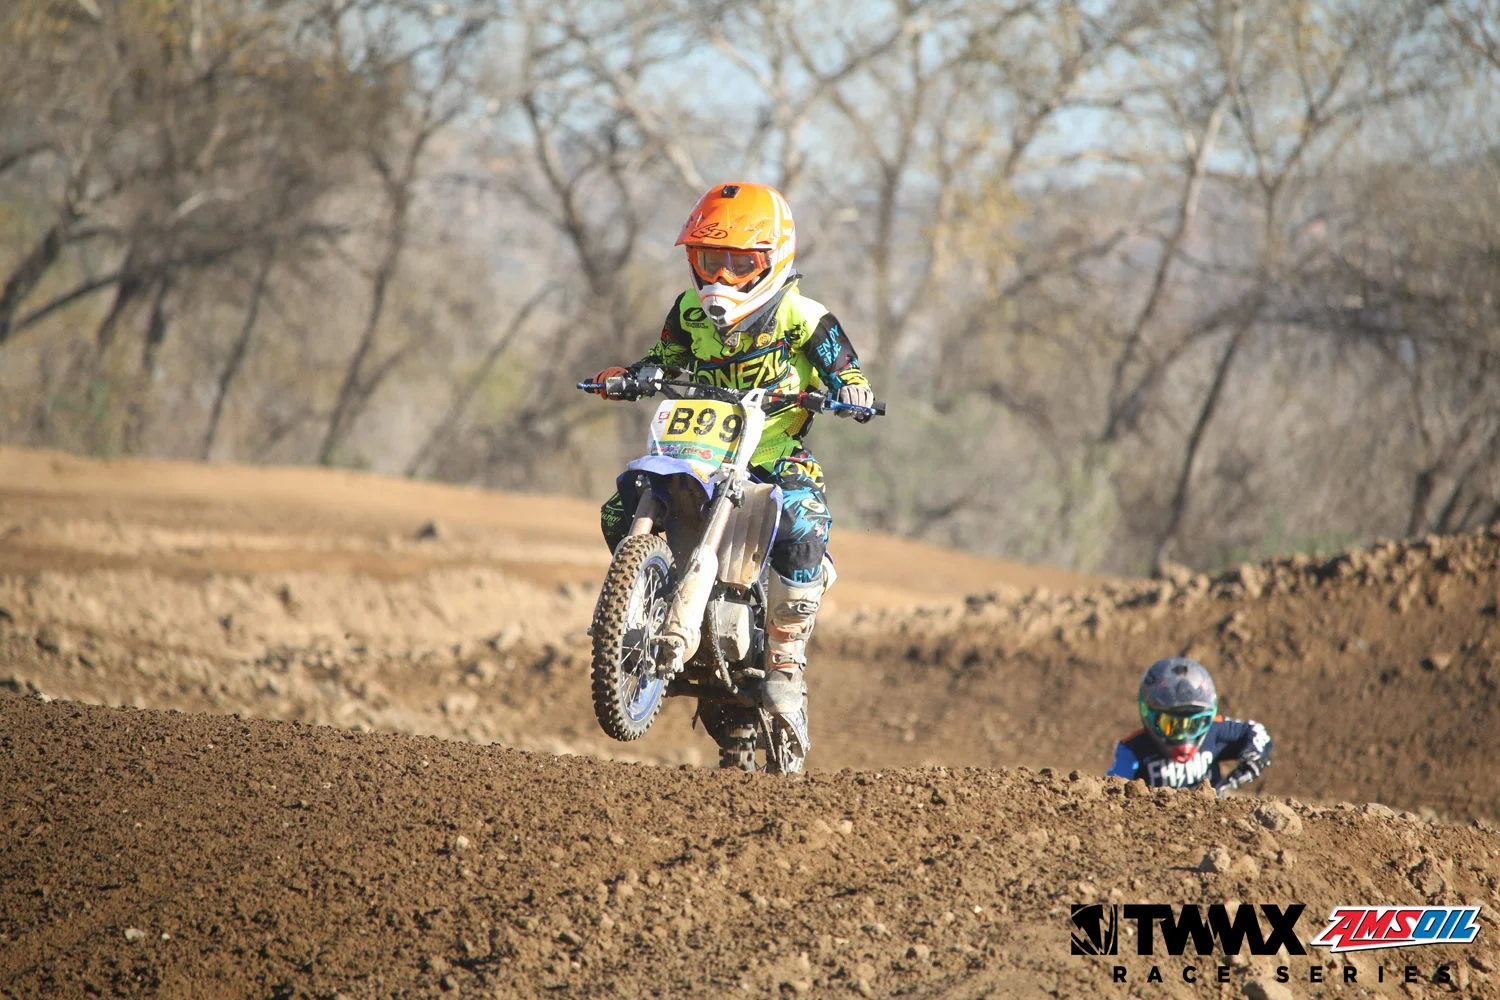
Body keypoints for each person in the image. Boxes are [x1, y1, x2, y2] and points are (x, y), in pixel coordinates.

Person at [590, 182, 876, 719]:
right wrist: (632, 376)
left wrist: (852, 393)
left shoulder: (803, 316)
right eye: (709, 260)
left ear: (772, 260)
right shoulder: (688, 311)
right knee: (615, 509)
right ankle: (648, 599)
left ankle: (785, 661)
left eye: (738, 264)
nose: (720, 277)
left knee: (805, 521)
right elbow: (663, 359)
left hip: (772, 451)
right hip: (699, 448)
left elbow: (847, 370)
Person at [1107, 656, 1272, 794]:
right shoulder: (1133, 749)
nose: (1184, 736)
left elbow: (1255, 731)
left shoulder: (1214, 730)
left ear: (1207, 719)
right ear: (1150, 716)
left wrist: (1252, 756)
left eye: (1195, 724)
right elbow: (1110, 788)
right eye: (1172, 725)